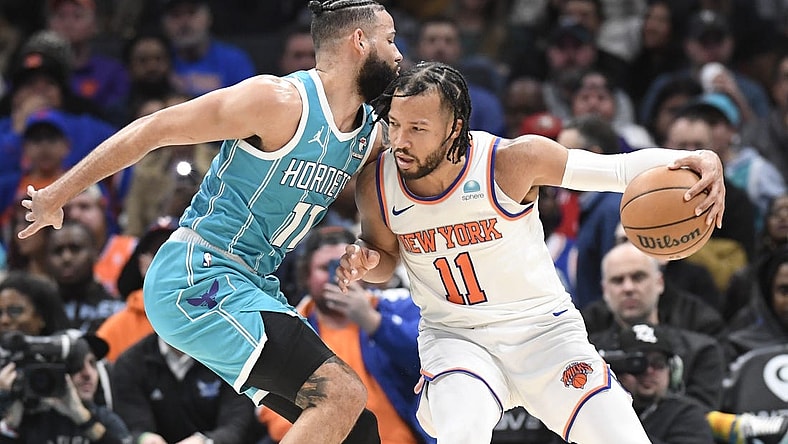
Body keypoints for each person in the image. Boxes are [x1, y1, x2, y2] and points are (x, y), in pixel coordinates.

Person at [18, 1, 403, 443]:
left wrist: (367, 259)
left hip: (253, 284)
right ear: (360, 41)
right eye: (390, 40)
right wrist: (56, 194)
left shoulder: (369, 135)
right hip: (200, 274)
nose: (398, 55)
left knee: (353, 429)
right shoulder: (277, 101)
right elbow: (152, 129)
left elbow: (388, 257)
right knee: (340, 394)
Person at [337, 61, 725, 443]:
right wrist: (365, 257)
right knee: (462, 432)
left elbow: (618, 170)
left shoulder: (510, 162)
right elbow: (382, 260)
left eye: (417, 129)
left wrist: (701, 160)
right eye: (395, 125)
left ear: (454, 128)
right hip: (456, 338)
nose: (400, 141)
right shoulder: (376, 183)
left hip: (544, 332)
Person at [259, 226, 430, 443]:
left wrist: (373, 322)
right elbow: (271, 410)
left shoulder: (397, 305)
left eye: (345, 266)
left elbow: (431, 359)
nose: (337, 277)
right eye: (325, 268)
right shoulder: (288, 326)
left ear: (365, 271)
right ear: (306, 276)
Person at [111, 332, 262, 444]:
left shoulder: (227, 356)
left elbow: (237, 424)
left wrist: (207, 441)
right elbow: (134, 426)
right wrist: (144, 438)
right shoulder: (130, 364)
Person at [0, 329, 132, 443]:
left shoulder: (105, 419)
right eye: (76, 365)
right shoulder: (29, 419)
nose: (87, 374)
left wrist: (83, 418)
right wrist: (10, 426)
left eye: (92, 363)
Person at [606, 323, 716, 444]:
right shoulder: (599, 407)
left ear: (672, 371)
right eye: (638, 363)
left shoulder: (686, 415)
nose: (649, 371)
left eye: (658, 363)